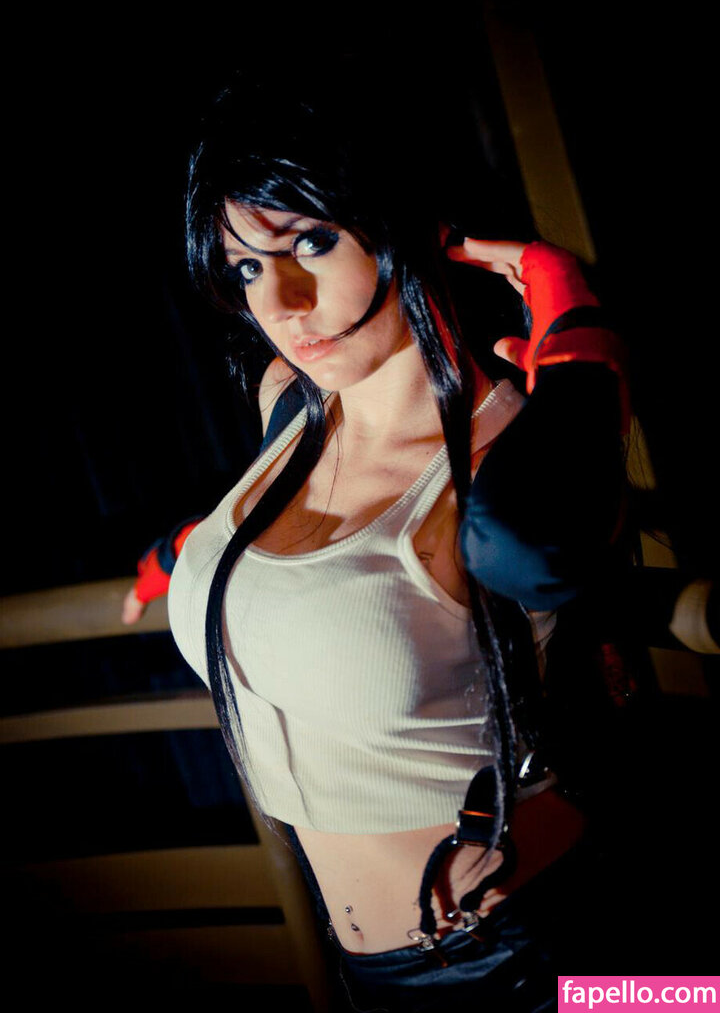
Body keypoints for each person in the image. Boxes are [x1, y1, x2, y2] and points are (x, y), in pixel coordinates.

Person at [128, 63, 635, 1011]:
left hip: (547, 963)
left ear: (412, 224)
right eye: (245, 266)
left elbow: (529, 549)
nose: (277, 300)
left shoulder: (499, 462)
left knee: (694, 1000)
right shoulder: (292, 403)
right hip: (373, 978)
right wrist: (177, 559)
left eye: (311, 241)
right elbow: (305, 556)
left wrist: (570, 309)